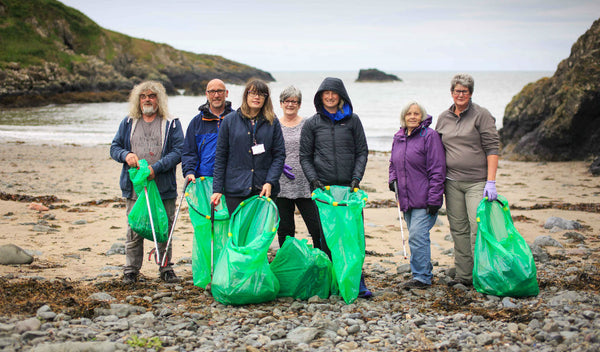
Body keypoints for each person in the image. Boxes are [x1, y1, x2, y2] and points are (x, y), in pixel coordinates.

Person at [299, 77, 372, 298]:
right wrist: (314, 181)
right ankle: (332, 282)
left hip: (350, 190)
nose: (330, 97)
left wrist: (356, 179)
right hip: (324, 191)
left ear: (341, 95)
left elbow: (362, 152)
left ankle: (357, 283)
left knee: (353, 237)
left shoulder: (353, 121)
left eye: (334, 93)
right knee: (327, 238)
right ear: (320, 97)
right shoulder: (312, 123)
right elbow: (305, 156)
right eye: (325, 93)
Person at [110, 80, 184, 284]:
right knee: (134, 228)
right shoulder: (128, 123)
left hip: (163, 187)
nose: (147, 99)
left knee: (163, 228)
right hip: (135, 187)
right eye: (143, 96)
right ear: (138, 100)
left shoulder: (171, 123)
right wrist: (126, 155)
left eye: (152, 96)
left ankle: (166, 268)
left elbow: (179, 152)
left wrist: (156, 168)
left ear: (159, 100)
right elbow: (114, 147)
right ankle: (131, 270)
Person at [435, 73, 500, 287]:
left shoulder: (482, 115)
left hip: (477, 182)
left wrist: (491, 182)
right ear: (451, 92)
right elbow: (435, 147)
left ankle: (483, 273)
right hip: (451, 182)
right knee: (458, 229)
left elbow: (492, 148)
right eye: (456, 91)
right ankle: (464, 276)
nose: (460, 94)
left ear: (471, 93)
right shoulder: (444, 117)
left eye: (464, 91)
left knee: (477, 227)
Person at [388, 101, 446, 289]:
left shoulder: (430, 136)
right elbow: (393, 164)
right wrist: (392, 179)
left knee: (417, 237)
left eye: (417, 114)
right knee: (417, 236)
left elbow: (438, 169)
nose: (412, 117)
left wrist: (435, 199)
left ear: (422, 117)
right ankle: (423, 272)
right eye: (409, 114)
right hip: (405, 198)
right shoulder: (399, 137)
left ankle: (421, 277)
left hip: (424, 198)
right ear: (404, 117)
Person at [210, 79, 285, 215]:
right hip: (236, 189)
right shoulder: (229, 121)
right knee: (240, 234)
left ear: (266, 99)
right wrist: (217, 189)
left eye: (261, 94)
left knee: (262, 234)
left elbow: (279, 156)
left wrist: (270, 182)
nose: (257, 97)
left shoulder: (272, 122)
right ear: (246, 95)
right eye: (253, 93)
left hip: (264, 189)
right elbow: (221, 157)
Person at [275, 86, 324, 250]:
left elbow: (317, 149)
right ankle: (288, 265)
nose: (290, 104)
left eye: (294, 101)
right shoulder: (273, 124)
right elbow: (267, 149)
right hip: (280, 186)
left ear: (299, 104)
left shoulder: (307, 124)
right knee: (285, 231)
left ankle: (321, 261)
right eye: (287, 101)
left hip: (305, 184)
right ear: (281, 103)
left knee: (316, 228)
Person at [182, 79, 234, 182]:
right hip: (204, 180)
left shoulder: (236, 119)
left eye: (220, 91)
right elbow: (189, 152)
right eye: (212, 92)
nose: (216, 95)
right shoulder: (196, 122)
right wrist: (189, 172)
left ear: (226, 93)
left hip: (231, 181)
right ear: (206, 94)